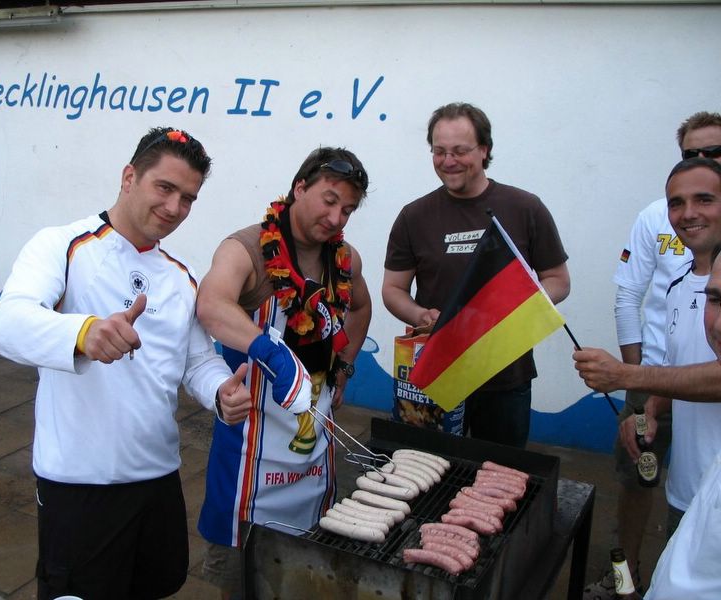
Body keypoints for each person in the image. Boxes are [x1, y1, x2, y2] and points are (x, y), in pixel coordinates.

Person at [0, 127, 252, 600]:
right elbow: (6, 324)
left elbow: (196, 361)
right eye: (164, 188)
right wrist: (82, 333)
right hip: (80, 483)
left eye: (188, 198)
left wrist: (220, 392)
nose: (174, 208)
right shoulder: (63, 245)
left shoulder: (181, 275)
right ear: (129, 177)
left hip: (158, 477)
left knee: (155, 586)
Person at [195, 147, 372, 599]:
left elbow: (361, 306)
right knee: (243, 583)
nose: (336, 218)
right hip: (250, 461)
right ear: (300, 188)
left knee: (305, 578)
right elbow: (211, 304)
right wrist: (269, 352)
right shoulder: (247, 249)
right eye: (329, 200)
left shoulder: (343, 258)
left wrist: (344, 367)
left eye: (348, 210)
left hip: (313, 460)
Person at [584, 111, 721, 599]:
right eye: (690, 155)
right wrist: (648, 399)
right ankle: (624, 578)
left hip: (656, 385)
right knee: (637, 484)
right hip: (657, 383)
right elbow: (629, 297)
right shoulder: (678, 272)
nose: (689, 212)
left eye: (713, 154)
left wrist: (625, 374)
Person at [382, 102, 570, 448]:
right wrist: (421, 315)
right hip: (438, 371)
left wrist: (511, 311)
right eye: (439, 151)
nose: (448, 160)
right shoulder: (414, 216)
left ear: (484, 150)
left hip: (505, 377)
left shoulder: (525, 208)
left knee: (499, 471)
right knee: (428, 469)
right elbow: (393, 289)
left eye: (460, 151)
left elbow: (558, 281)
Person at [643, 243, 721, 600]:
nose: (718, 324)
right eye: (715, 299)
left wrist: (624, 375)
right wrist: (650, 408)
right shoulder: (677, 286)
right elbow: (678, 367)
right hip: (689, 487)